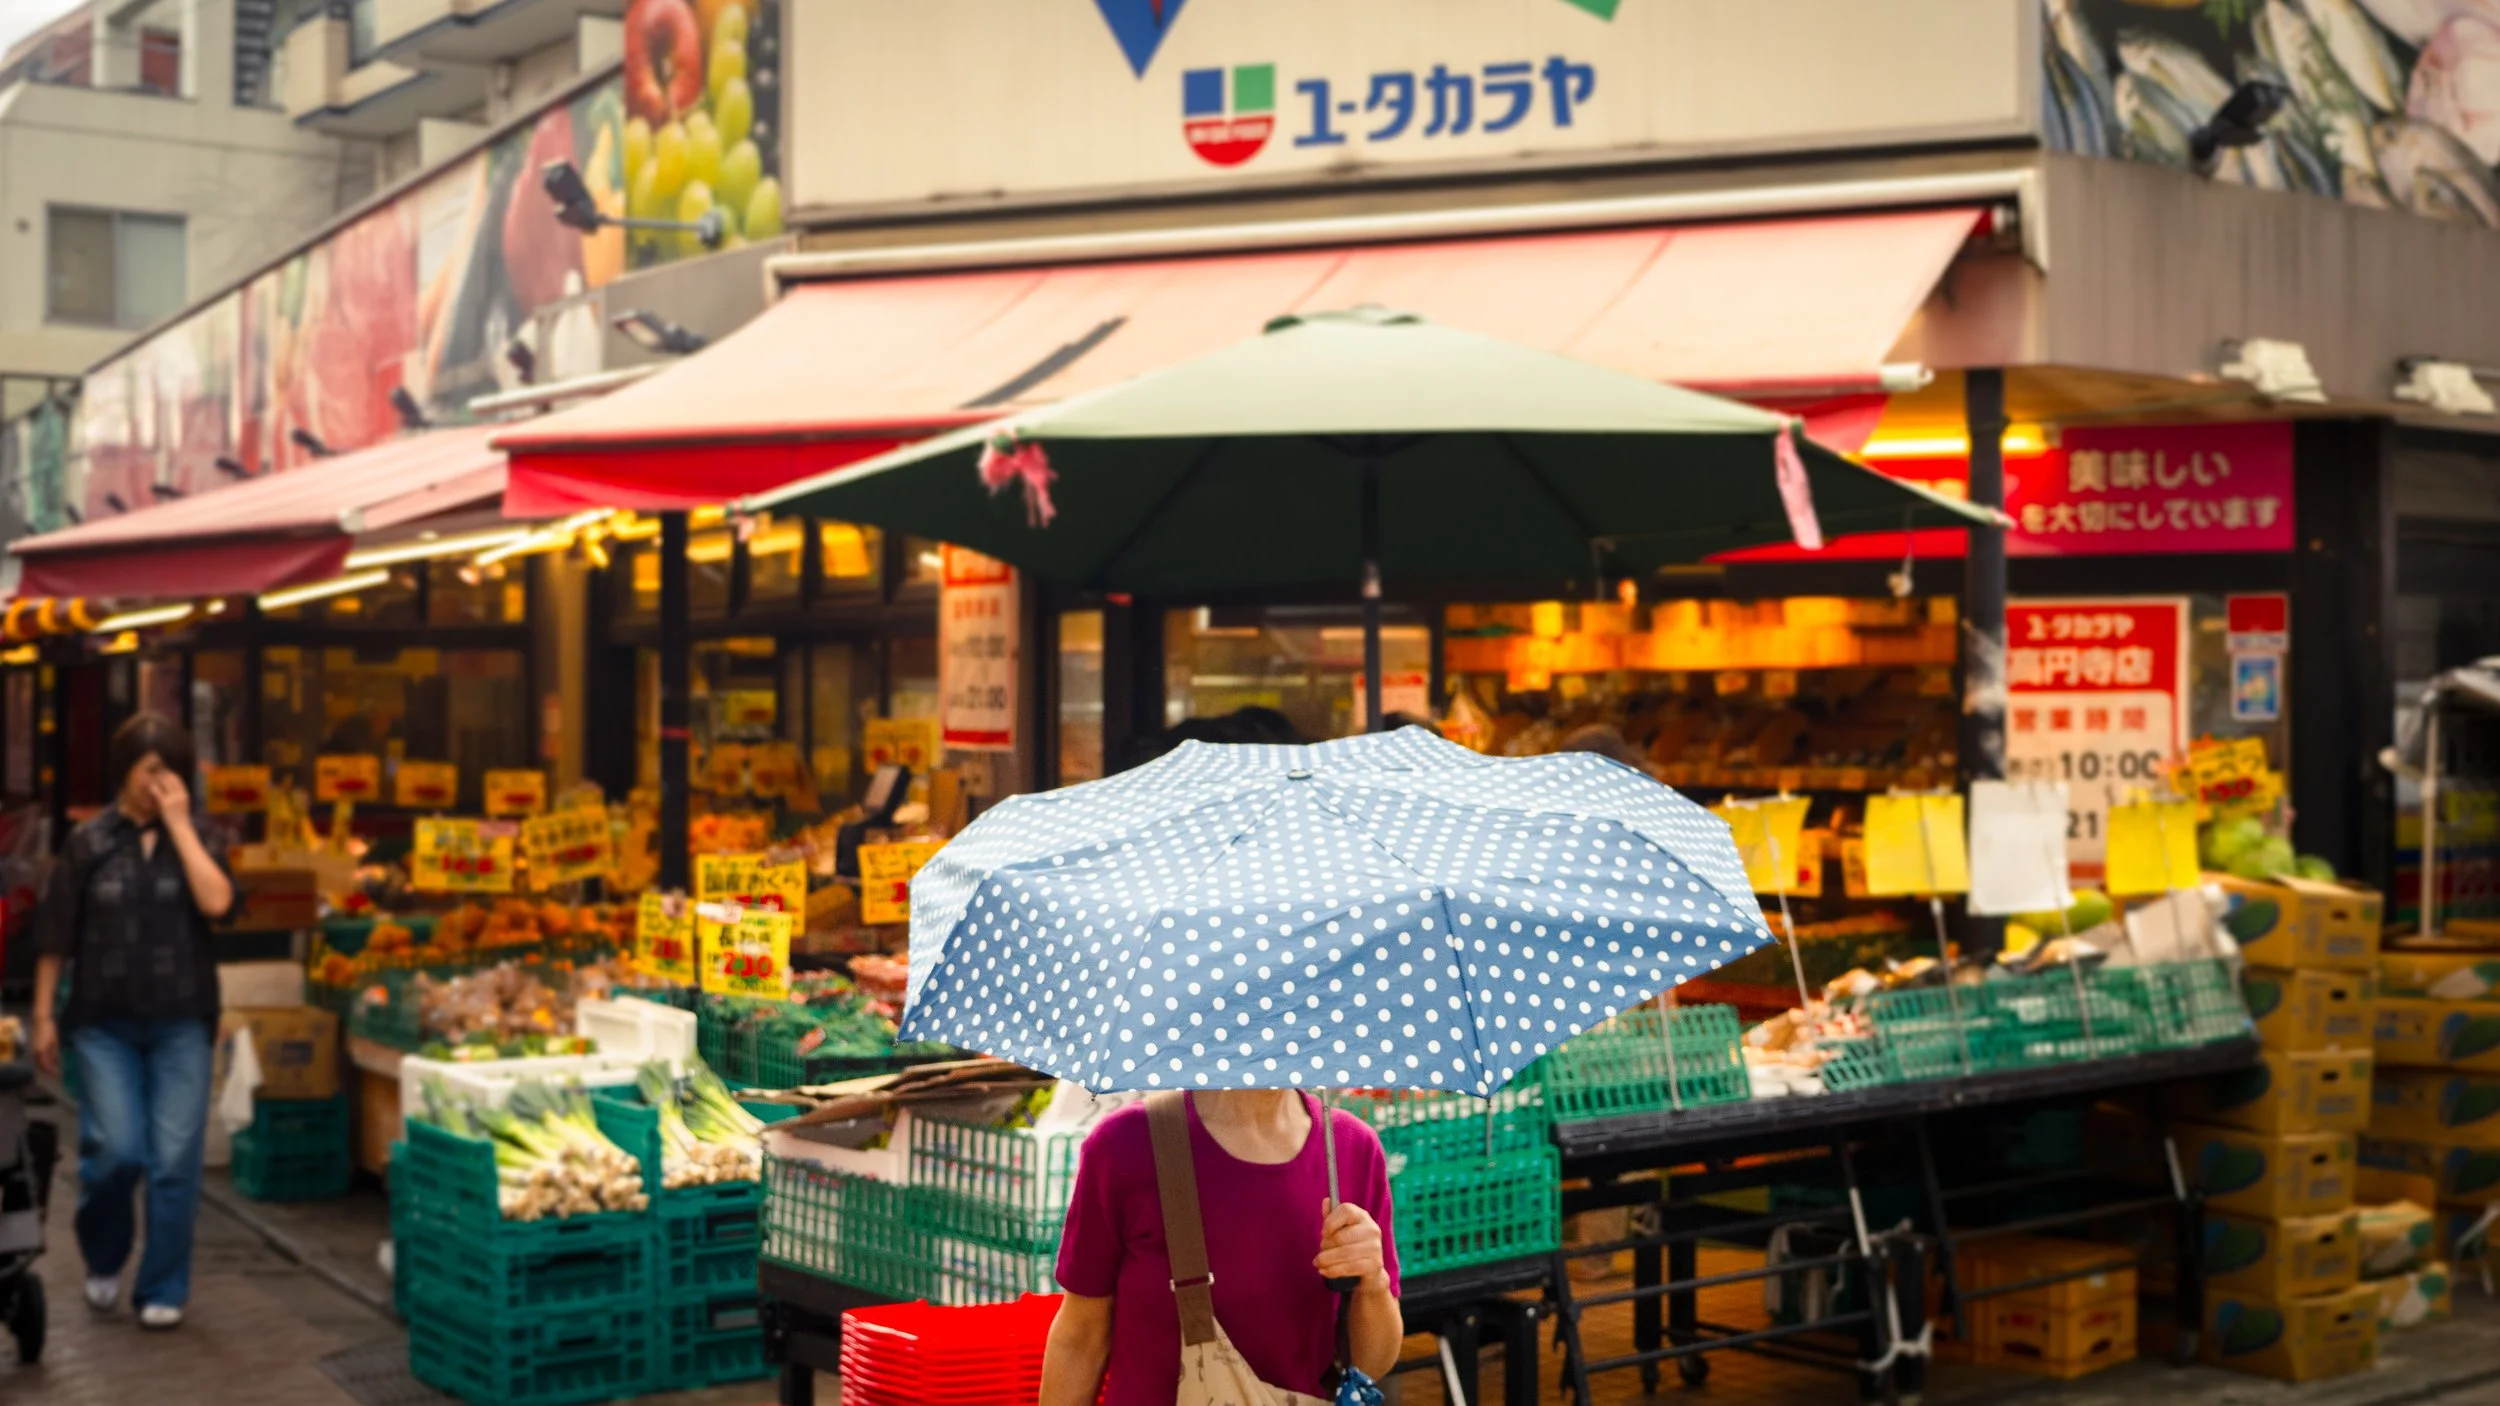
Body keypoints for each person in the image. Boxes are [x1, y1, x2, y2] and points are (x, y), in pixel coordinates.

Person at [29, 714, 234, 1331]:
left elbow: (219, 903)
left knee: (175, 1159)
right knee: (116, 1151)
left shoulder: (198, 834)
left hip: (182, 1021)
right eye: (151, 772)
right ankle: (104, 1255)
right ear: (126, 771)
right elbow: (56, 933)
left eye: (171, 773)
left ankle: (163, 1286)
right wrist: (42, 1015)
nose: (160, 784)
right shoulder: (87, 842)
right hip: (101, 1023)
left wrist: (177, 825)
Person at [1040, 1090, 1402, 1404]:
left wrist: (1374, 1282)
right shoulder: (1127, 1144)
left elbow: (1371, 1365)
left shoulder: (1352, 1149)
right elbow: (1081, 1336)